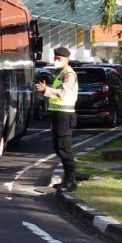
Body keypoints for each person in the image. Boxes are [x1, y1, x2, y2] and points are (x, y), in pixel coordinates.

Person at [35, 47, 79, 192]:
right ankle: (67, 179)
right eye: (55, 58)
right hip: (57, 114)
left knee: (65, 148)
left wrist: (45, 90)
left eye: (59, 58)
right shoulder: (60, 73)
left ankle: (71, 180)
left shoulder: (69, 74)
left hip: (65, 115)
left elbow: (63, 92)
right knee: (58, 148)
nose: (56, 61)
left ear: (67, 59)